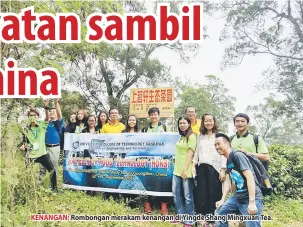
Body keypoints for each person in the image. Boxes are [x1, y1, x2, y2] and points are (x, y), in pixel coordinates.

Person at [214, 132, 264, 227]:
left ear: (227, 144)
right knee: (219, 213)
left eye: (219, 144)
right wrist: (222, 199)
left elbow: (250, 177)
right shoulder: (228, 160)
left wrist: (252, 202)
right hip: (238, 198)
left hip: (251, 198)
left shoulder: (237, 155)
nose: (216, 147)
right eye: (215, 145)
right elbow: (229, 182)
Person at [192, 114, 226, 227]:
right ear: (203, 122)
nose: (208, 123)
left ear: (214, 121)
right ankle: (202, 218)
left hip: (215, 168)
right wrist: (193, 165)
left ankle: (214, 219)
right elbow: (197, 151)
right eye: (206, 121)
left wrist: (223, 169)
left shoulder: (219, 135)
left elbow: (223, 152)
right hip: (202, 167)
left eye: (210, 120)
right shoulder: (200, 136)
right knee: (201, 193)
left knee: (214, 193)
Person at [20, 101, 57, 191]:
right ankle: (29, 189)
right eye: (31, 116)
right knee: (28, 173)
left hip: (43, 154)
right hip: (31, 155)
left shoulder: (41, 126)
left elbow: (47, 118)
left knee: (52, 171)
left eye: (35, 115)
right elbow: (25, 142)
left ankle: (54, 189)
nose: (33, 117)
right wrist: (23, 146)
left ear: (38, 117)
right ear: (28, 118)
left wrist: (46, 107)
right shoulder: (26, 129)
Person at [141, 107, 168, 214]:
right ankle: (148, 203)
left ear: (159, 115)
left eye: (155, 114)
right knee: (148, 179)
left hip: (161, 159)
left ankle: (163, 203)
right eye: (151, 114)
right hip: (149, 159)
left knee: (162, 179)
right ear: (149, 116)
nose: (153, 116)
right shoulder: (145, 129)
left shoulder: (165, 127)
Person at [172, 115, 196, 227]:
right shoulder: (181, 137)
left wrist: (185, 170)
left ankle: (190, 219)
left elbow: (190, 153)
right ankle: (180, 215)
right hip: (176, 171)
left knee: (187, 196)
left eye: (184, 123)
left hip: (187, 171)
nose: (182, 125)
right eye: (180, 123)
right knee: (176, 193)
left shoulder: (191, 136)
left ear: (189, 124)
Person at [44, 98, 64, 183]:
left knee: (53, 167)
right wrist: (46, 107)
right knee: (43, 167)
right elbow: (46, 116)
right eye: (50, 112)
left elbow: (60, 114)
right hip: (45, 148)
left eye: (53, 112)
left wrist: (56, 102)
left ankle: (53, 186)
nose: (51, 113)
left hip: (54, 148)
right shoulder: (46, 123)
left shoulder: (58, 123)